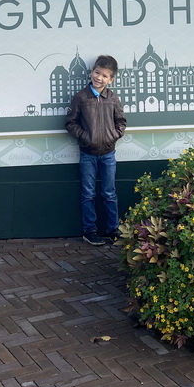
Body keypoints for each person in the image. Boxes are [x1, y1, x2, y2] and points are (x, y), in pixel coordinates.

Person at [65, 54, 126, 245]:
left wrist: (113, 136)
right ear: (91, 72)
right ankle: (89, 230)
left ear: (111, 79)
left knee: (109, 193)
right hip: (87, 154)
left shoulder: (113, 98)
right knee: (88, 193)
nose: (99, 77)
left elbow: (121, 122)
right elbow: (70, 123)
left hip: (109, 154)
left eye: (105, 75)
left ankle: (113, 229)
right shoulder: (81, 97)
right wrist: (86, 137)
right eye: (97, 72)